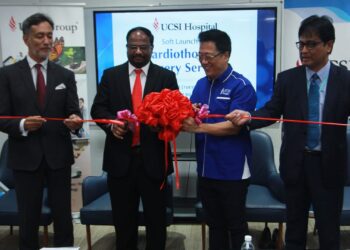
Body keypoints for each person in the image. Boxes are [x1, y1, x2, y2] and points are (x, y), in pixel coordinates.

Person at [227, 15, 350, 250]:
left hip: (329, 166)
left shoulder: (345, 80)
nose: (304, 50)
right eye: (301, 44)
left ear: (329, 45)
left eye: (311, 44)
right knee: (294, 230)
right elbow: (272, 111)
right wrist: (249, 117)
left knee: (329, 232)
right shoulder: (287, 79)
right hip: (296, 164)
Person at [90, 26, 178, 250]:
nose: (138, 51)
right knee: (123, 221)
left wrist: (162, 120)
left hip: (155, 161)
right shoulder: (111, 75)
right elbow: (98, 109)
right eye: (133, 47)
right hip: (120, 161)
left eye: (143, 47)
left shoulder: (166, 76)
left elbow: (175, 113)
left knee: (156, 222)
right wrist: (112, 125)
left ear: (152, 48)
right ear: (127, 48)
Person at [0, 13, 82, 250]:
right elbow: (2, 117)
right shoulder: (7, 75)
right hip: (25, 158)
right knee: (28, 218)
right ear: (26, 39)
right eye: (40, 36)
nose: (47, 41)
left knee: (63, 218)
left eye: (49, 35)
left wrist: (75, 122)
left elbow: (73, 112)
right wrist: (23, 125)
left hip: (59, 157)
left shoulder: (64, 75)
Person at [182, 29, 257, 250]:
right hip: (206, 168)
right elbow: (190, 114)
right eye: (200, 56)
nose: (203, 62)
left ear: (225, 55)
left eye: (209, 56)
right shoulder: (200, 84)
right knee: (214, 224)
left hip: (232, 170)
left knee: (235, 225)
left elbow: (234, 127)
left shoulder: (241, 85)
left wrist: (199, 127)